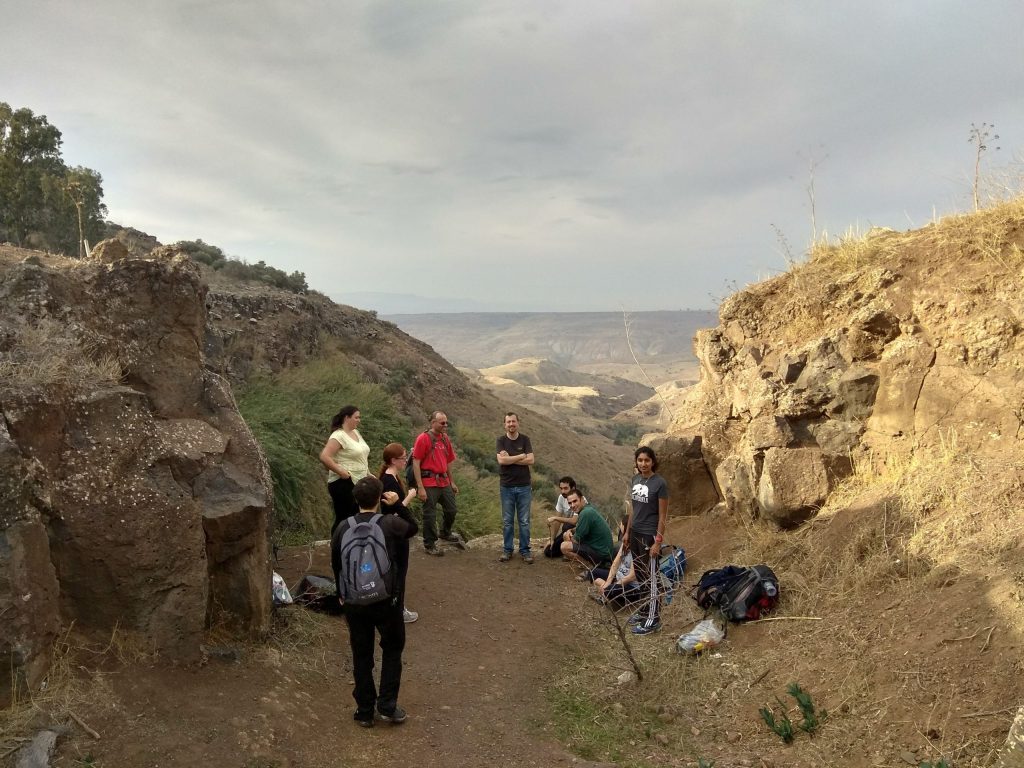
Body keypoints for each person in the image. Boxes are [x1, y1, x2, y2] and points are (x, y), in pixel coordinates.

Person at [331, 476, 417, 727]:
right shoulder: (389, 523)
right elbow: (412, 528)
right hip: (386, 601)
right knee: (392, 650)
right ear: (380, 498)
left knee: (361, 654)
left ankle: (365, 710)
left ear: (355, 499)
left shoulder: (342, 527)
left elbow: (336, 563)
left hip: (354, 601)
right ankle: (388, 706)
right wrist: (398, 504)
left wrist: (341, 593)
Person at [623, 446, 669, 635]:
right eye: (640, 460)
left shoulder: (660, 483)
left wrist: (657, 542)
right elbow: (633, 510)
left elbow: (663, 516)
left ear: (653, 462)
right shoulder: (636, 479)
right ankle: (644, 611)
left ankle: (652, 619)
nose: (643, 464)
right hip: (635, 533)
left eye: (647, 460)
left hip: (649, 535)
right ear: (636, 462)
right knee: (641, 575)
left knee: (651, 577)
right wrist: (627, 532)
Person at [378, 443, 420, 624]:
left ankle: (396, 607)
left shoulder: (392, 477)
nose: (405, 461)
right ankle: (398, 609)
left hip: (395, 530)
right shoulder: (388, 481)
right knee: (399, 572)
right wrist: (409, 497)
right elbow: (392, 512)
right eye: (403, 458)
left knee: (398, 571)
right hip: (395, 532)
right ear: (393, 460)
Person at [412, 411, 461, 556]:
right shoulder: (423, 438)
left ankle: (445, 532)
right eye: (442, 423)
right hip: (429, 482)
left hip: (444, 481)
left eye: (446, 422)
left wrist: (452, 482)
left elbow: (448, 461)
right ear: (433, 422)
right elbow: (416, 462)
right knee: (430, 514)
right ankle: (430, 544)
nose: (446, 425)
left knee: (451, 510)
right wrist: (420, 487)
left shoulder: (445, 438)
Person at [319, 404, 371, 534]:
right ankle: (338, 543)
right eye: (356, 417)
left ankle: (352, 543)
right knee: (344, 518)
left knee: (356, 516)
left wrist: (368, 473)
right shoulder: (338, 435)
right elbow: (325, 456)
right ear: (347, 418)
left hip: (359, 481)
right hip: (343, 483)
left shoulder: (356, 433)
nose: (359, 420)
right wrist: (340, 471)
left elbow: (361, 456)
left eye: (359, 417)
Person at [496, 412, 535, 563]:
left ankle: (525, 550)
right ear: (504, 424)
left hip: (524, 486)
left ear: (518, 423)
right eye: (508, 422)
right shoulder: (501, 440)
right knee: (507, 521)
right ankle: (507, 550)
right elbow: (502, 461)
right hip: (506, 486)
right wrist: (520, 456)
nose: (511, 424)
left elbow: (531, 460)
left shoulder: (525, 439)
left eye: (513, 421)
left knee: (524, 521)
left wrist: (509, 458)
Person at [559, 489, 613, 570]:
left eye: (575, 501)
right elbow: (581, 527)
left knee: (564, 546)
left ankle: (591, 567)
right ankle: (589, 564)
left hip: (601, 554)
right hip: (601, 549)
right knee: (566, 534)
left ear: (582, 499)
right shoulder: (588, 508)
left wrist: (568, 537)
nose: (572, 505)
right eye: (570, 503)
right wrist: (570, 531)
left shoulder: (585, 513)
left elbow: (576, 540)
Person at [544, 476, 583, 558]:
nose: (563, 491)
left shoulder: (579, 499)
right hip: (567, 532)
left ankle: (574, 551)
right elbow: (557, 521)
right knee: (549, 551)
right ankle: (565, 549)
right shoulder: (561, 498)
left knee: (567, 526)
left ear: (573, 488)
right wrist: (552, 539)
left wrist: (555, 518)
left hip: (580, 531)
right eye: (561, 488)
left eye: (566, 488)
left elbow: (574, 521)